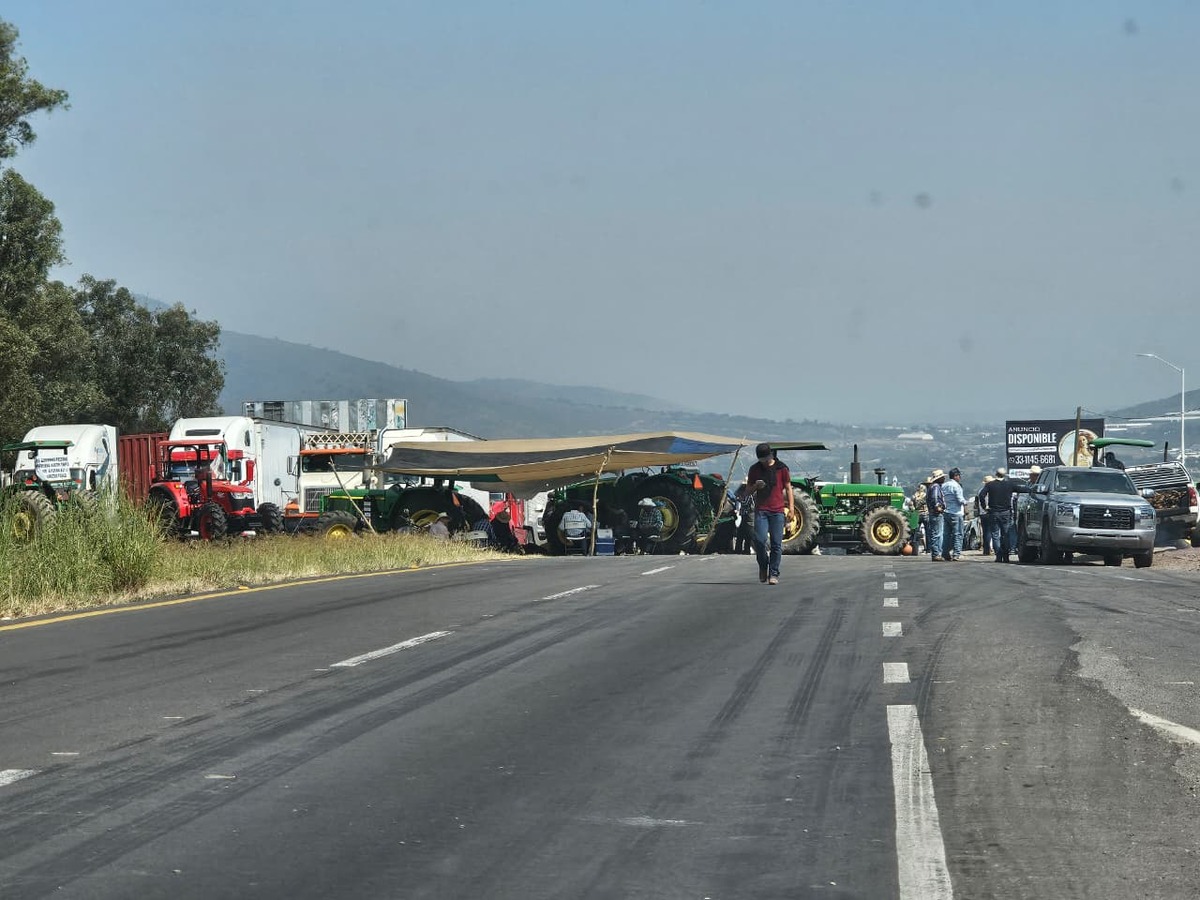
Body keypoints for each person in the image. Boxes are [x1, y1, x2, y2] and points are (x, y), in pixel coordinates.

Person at [747, 442, 794, 585]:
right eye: (762, 461)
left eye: (766, 460)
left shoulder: (782, 469)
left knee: (776, 544)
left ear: (771, 456)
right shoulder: (754, 469)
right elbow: (747, 491)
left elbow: (788, 488)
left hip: (778, 511)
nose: (765, 463)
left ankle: (773, 573)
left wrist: (791, 508)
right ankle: (763, 564)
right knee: (759, 540)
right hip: (762, 510)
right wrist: (755, 486)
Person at [982, 467, 1031, 562]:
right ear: (1004, 475)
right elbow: (1022, 489)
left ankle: (998, 556)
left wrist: (985, 507)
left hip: (994, 512)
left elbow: (981, 495)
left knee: (995, 535)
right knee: (1005, 534)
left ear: (996, 474)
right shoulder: (1009, 484)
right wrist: (1032, 489)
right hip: (1006, 513)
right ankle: (1006, 556)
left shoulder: (990, 485)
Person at [941, 467, 966, 560]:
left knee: (946, 534)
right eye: (959, 475)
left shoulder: (944, 485)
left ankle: (945, 553)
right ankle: (956, 554)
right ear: (956, 476)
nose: (960, 477)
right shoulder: (957, 486)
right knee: (958, 534)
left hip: (946, 512)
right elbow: (960, 500)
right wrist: (965, 502)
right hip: (956, 512)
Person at [926, 470, 946, 560]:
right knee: (938, 534)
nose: (944, 478)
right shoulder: (936, 486)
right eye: (942, 477)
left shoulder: (931, 487)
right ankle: (937, 553)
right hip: (936, 513)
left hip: (932, 513)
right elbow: (935, 498)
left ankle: (936, 553)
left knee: (934, 533)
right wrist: (938, 507)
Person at [733, 481, 755, 554]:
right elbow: (736, 496)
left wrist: (740, 499)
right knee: (740, 534)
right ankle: (738, 550)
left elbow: (745, 503)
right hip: (744, 516)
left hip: (749, 517)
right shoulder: (743, 494)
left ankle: (746, 550)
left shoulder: (749, 495)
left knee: (748, 534)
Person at [976, 476, 995, 556]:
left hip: (982, 513)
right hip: (988, 512)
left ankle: (986, 549)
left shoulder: (980, 491)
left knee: (985, 532)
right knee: (990, 532)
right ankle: (990, 549)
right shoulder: (991, 491)